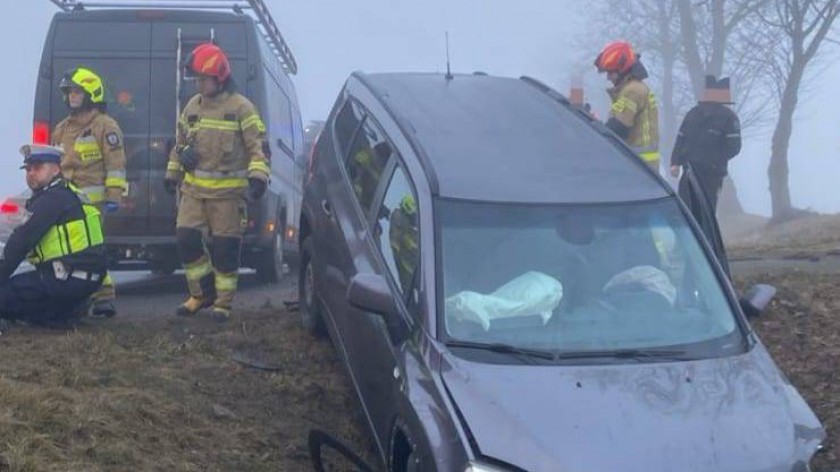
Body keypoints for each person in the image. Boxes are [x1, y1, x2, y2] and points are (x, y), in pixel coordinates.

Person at [164, 42, 270, 322]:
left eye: (204, 79)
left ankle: (223, 303)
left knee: (225, 249)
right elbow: (180, 143)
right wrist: (173, 172)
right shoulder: (192, 107)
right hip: (194, 192)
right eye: (197, 79)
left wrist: (257, 178)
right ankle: (201, 294)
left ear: (219, 77)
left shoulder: (242, 108)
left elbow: (257, 149)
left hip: (228, 196)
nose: (200, 84)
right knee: (185, 239)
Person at [0, 145, 107, 326]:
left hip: (65, 280)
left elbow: (18, 245)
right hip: (83, 280)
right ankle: (61, 314)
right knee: (29, 306)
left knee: (5, 296)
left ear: (56, 169)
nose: (31, 173)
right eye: (28, 169)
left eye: (38, 167)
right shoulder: (68, 193)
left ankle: (59, 312)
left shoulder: (51, 200)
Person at [51, 66, 127, 317]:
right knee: (68, 250)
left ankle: (103, 298)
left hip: (91, 203)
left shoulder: (105, 126)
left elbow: (115, 164)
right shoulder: (62, 129)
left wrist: (114, 196)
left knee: (91, 248)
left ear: (91, 93)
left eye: (77, 92)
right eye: (70, 92)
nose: (72, 96)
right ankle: (75, 297)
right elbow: (53, 165)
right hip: (64, 201)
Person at [670, 75, 742, 213]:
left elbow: (734, 147)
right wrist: (675, 162)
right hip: (689, 171)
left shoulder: (729, 118)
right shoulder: (693, 114)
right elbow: (681, 139)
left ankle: (705, 235)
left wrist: (713, 161)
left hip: (711, 175)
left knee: (705, 212)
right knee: (685, 211)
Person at [594, 41, 660, 172]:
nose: (608, 77)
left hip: (637, 166)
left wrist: (592, 130)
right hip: (644, 167)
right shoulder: (637, 88)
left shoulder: (632, 91)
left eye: (611, 73)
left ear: (622, 70)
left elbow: (618, 128)